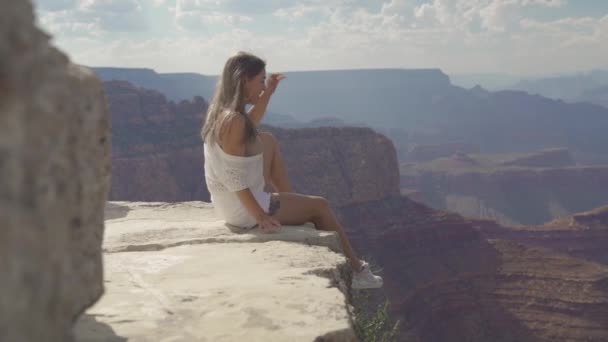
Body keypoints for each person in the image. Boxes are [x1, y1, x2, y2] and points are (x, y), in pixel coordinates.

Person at [201, 51, 383, 289]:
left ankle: (291, 201)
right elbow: (233, 177)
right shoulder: (234, 121)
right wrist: (260, 216)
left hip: (226, 203)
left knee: (267, 140)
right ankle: (357, 269)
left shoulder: (223, 113)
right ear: (244, 79)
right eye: (260, 81)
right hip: (241, 211)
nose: (263, 85)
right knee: (320, 206)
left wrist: (268, 93)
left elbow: (252, 122)